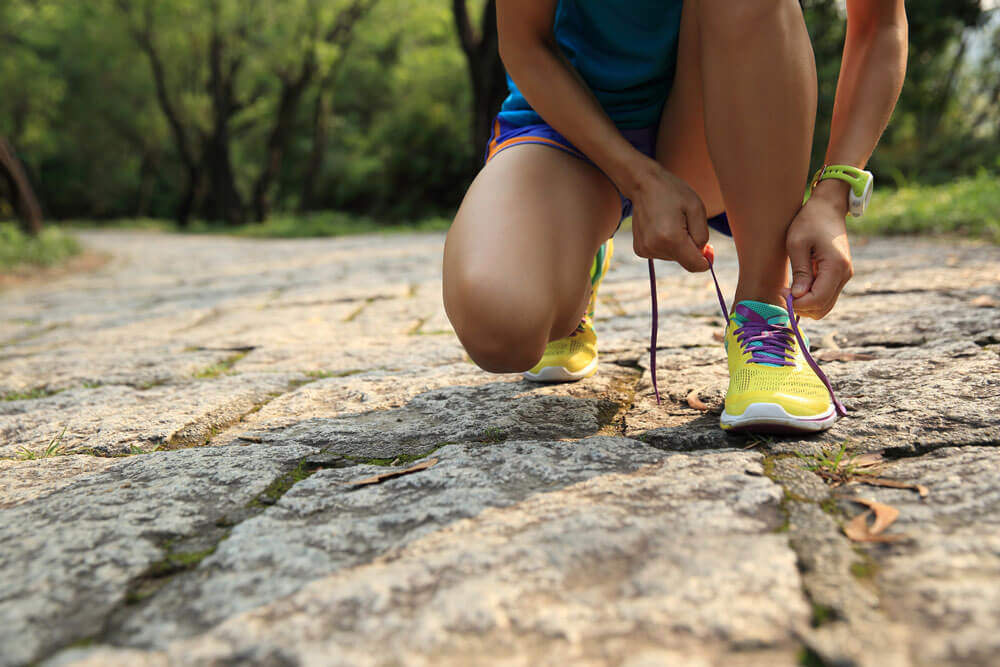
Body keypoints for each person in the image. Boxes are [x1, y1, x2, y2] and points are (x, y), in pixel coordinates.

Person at [442, 0, 908, 433]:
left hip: (714, 119)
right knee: (500, 327)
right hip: (571, 130)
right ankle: (582, 251)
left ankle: (763, 312)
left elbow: (879, 24)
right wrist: (639, 178)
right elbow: (524, 42)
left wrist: (833, 194)